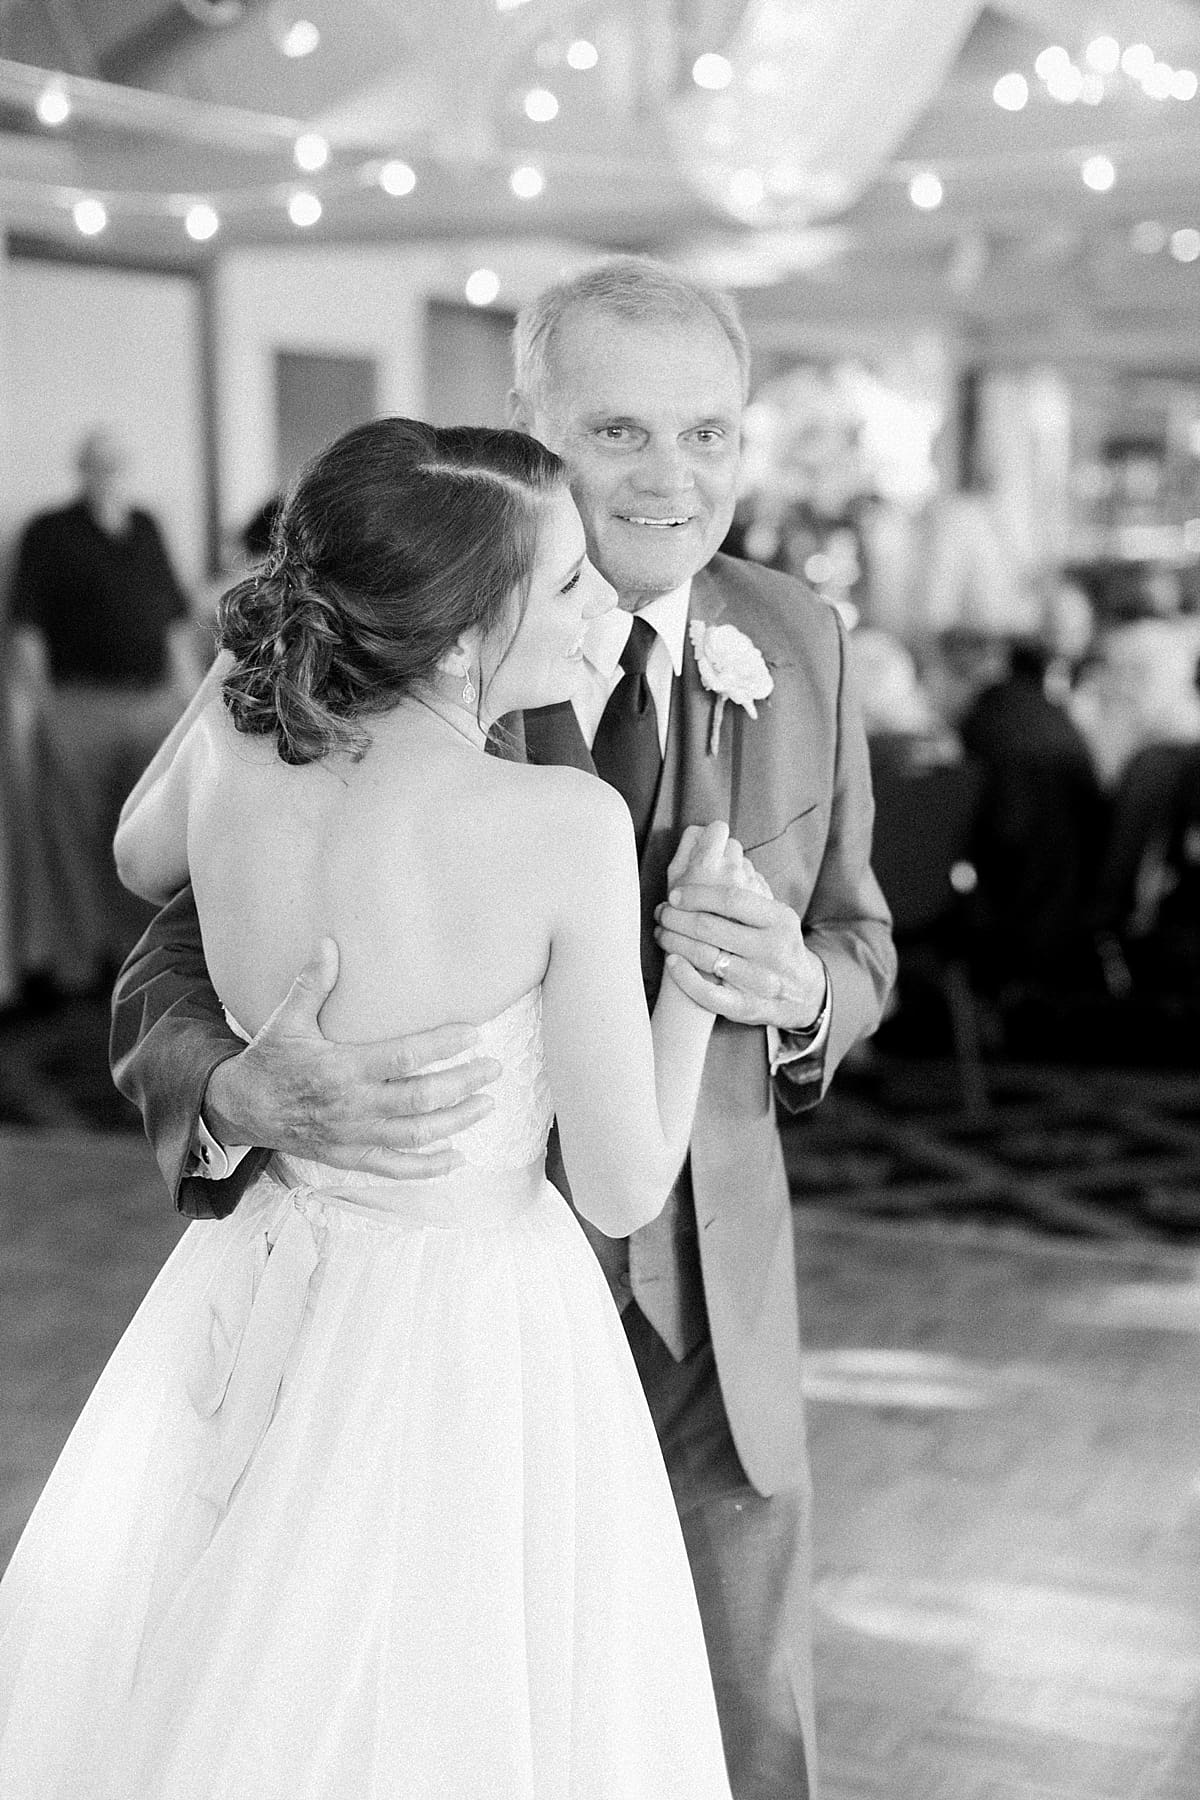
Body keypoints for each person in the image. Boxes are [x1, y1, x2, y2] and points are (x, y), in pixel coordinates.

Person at [109, 257, 896, 1797]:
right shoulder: (360, 644)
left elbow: (860, 931)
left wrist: (803, 993)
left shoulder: (801, 635)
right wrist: (240, 1090)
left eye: (711, 433)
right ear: (527, 425)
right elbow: (164, 947)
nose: (675, 478)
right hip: (426, 1317)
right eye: (619, 432)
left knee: (727, 1717)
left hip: (709, 1313)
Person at [0, 418, 743, 1798]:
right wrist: (696, 976)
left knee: (228, 1661)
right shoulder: (558, 824)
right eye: (571, 581)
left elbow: (135, 849)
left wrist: (270, 642)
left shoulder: (231, 740)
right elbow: (628, 1188)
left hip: (258, 1271)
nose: (598, 608)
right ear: (464, 635)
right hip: (472, 1320)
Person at [7, 428, 203, 986]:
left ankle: (139, 958)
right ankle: (78, 965)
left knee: (147, 836)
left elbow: (174, 624)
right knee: (74, 838)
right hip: (79, 706)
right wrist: (43, 714)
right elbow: (28, 634)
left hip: (150, 704)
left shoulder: (145, 527)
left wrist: (192, 705)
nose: (109, 475)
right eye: (99, 465)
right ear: (82, 470)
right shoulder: (48, 532)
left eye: (118, 465)